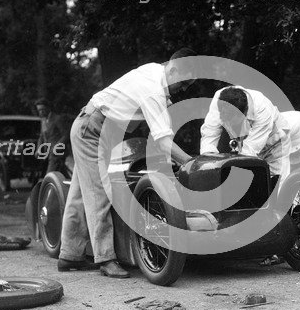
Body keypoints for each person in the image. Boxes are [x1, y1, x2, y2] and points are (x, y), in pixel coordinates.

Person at [57, 48, 197, 277]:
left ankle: (69, 255)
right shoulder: (153, 89)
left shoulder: (155, 71)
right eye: (182, 84)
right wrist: (190, 162)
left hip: (98, 127)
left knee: (81, 192)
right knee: (99, 191)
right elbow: (163, 141)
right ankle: (106, 258)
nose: (182, 90)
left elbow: (160, 129)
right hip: (92, 130)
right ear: (173, 70)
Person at [200, 86, 291, 180]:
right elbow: (210, 134)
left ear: (244, 112)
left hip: (275, 143)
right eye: (224, 118)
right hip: (245, 138)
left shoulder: (263, 110)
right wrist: (208, 162)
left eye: (231, 120)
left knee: (274, 182)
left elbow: (248, 153)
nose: (227, 123)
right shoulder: (219, 99)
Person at [35, 99, 71, 174]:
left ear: (48, 108)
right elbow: (41, 136)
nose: (41, 112)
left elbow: (66, 135)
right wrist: (38, 149)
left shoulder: (57, 119)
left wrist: (57, 147)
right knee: (61, 174)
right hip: (48, 153)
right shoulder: (43, 120)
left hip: (57, 153)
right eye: (39, 110)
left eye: (42, 109)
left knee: (49, 175)